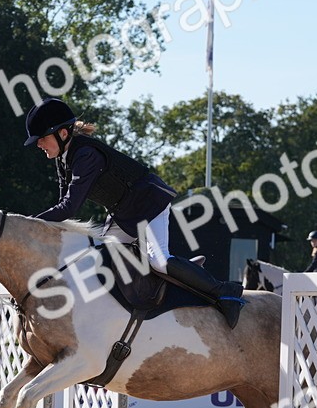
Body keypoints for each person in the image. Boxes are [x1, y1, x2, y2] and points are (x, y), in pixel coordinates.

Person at [24, 98, 244, 327]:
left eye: (42, 138)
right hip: (124, 212)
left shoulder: (85, 155)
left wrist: (27, 223)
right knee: (99, 258)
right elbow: (62, 206)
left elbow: (69, 207)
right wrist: (33, 223)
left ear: (62, 133)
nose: (39, 144)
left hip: (149, 203)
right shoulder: (63, 159)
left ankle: (225, 292)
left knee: (159, 261)